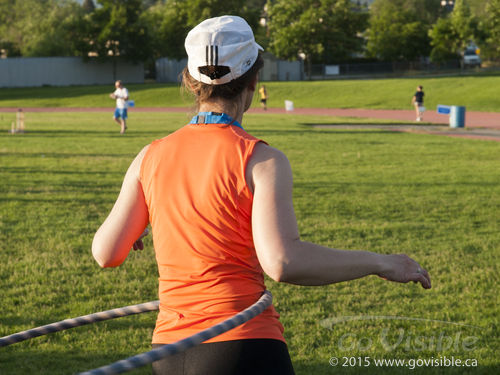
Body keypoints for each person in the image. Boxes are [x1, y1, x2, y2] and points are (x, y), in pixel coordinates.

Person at [92, 15, 431, 375]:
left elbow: (106, 253)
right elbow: (283, 262)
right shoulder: (261, 160)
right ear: (254, 79)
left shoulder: (149, 155)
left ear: (191, 82)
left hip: (169, 353)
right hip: (243, 345)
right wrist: (382, 262)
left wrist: (142, 225)